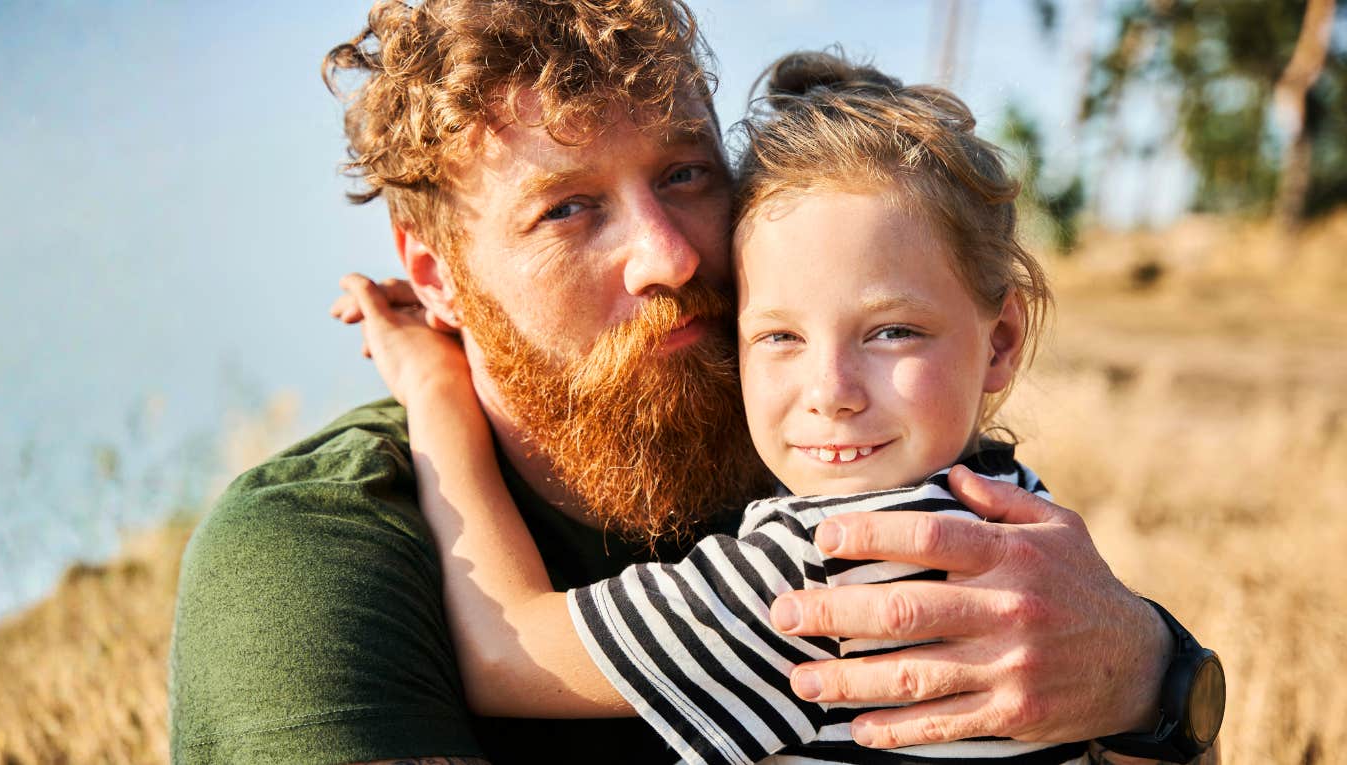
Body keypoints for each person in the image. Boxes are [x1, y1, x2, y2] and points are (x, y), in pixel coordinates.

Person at [168, 2, 1213, 764]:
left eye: (684, 173)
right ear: (433, 274)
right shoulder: (316, 550)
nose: (668, 255)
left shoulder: (820, 457)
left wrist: (1151, 674)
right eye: (568, 208)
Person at [334, 49, 1093, 765]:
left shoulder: (821, 565)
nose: (831, 391)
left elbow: (509, 651)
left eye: (893, 332)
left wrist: (434, 389)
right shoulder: (1020, 513)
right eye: (779, 336)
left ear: (999, 343)